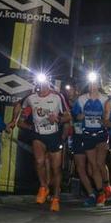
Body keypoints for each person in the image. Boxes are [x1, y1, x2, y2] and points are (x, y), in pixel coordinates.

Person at [17, 76, 70, 212]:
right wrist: (16, 121)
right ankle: (43, 187)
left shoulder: (57, 96)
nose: (42, 84)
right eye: (40, 82)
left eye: (45, 82)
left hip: (53, 135)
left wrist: (57, 119)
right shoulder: (31, 97)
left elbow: (68, 116)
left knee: (55, 168)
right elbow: (20, 107)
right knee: (39, 161)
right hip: (38, 134)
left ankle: (56, 198)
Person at [76, 74, 110, 206]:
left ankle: (107, 184)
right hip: (87, 134)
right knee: (93, 165)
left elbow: (109, 117)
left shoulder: (105, 99)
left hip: (101, 134)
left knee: (100, 163)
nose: (92, 86)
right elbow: (76, 116)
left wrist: (104, 119)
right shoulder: (82, 99)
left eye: (95, 84)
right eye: (90, 84)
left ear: (99, 85)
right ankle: (100, 193)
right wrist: (81, 116)